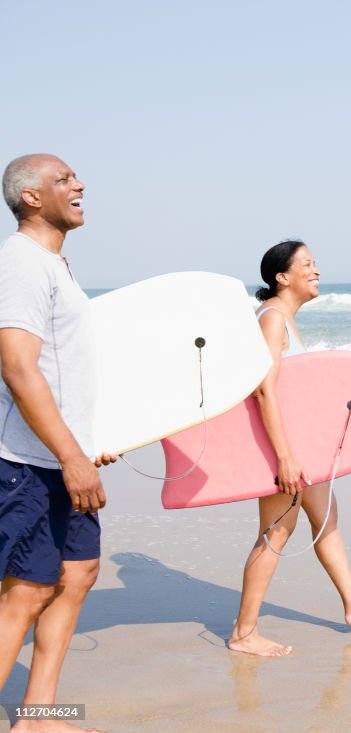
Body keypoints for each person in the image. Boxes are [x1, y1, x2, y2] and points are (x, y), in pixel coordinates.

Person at [228, 240, 351, 657]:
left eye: (315, 263)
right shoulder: (272, 319)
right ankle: (244, 633)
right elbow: (264, 392)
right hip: (283, 449)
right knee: (276, 533)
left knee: (326, 519)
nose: (316, 270)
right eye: (306, 264)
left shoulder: (283, 319)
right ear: (282, 277)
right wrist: (284, 457)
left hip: (301, 447)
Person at [0, 154, 115, 732]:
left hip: (66, 456)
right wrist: (71, 457)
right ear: (31, 198)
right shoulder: (21, 263)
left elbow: (66, 368)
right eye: (65, 179)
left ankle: (39, 717)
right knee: (27, 593)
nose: (80, 185)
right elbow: (18, 369)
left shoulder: (54, 265)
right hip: (30, 461)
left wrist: (91, 443)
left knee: (78, 574)